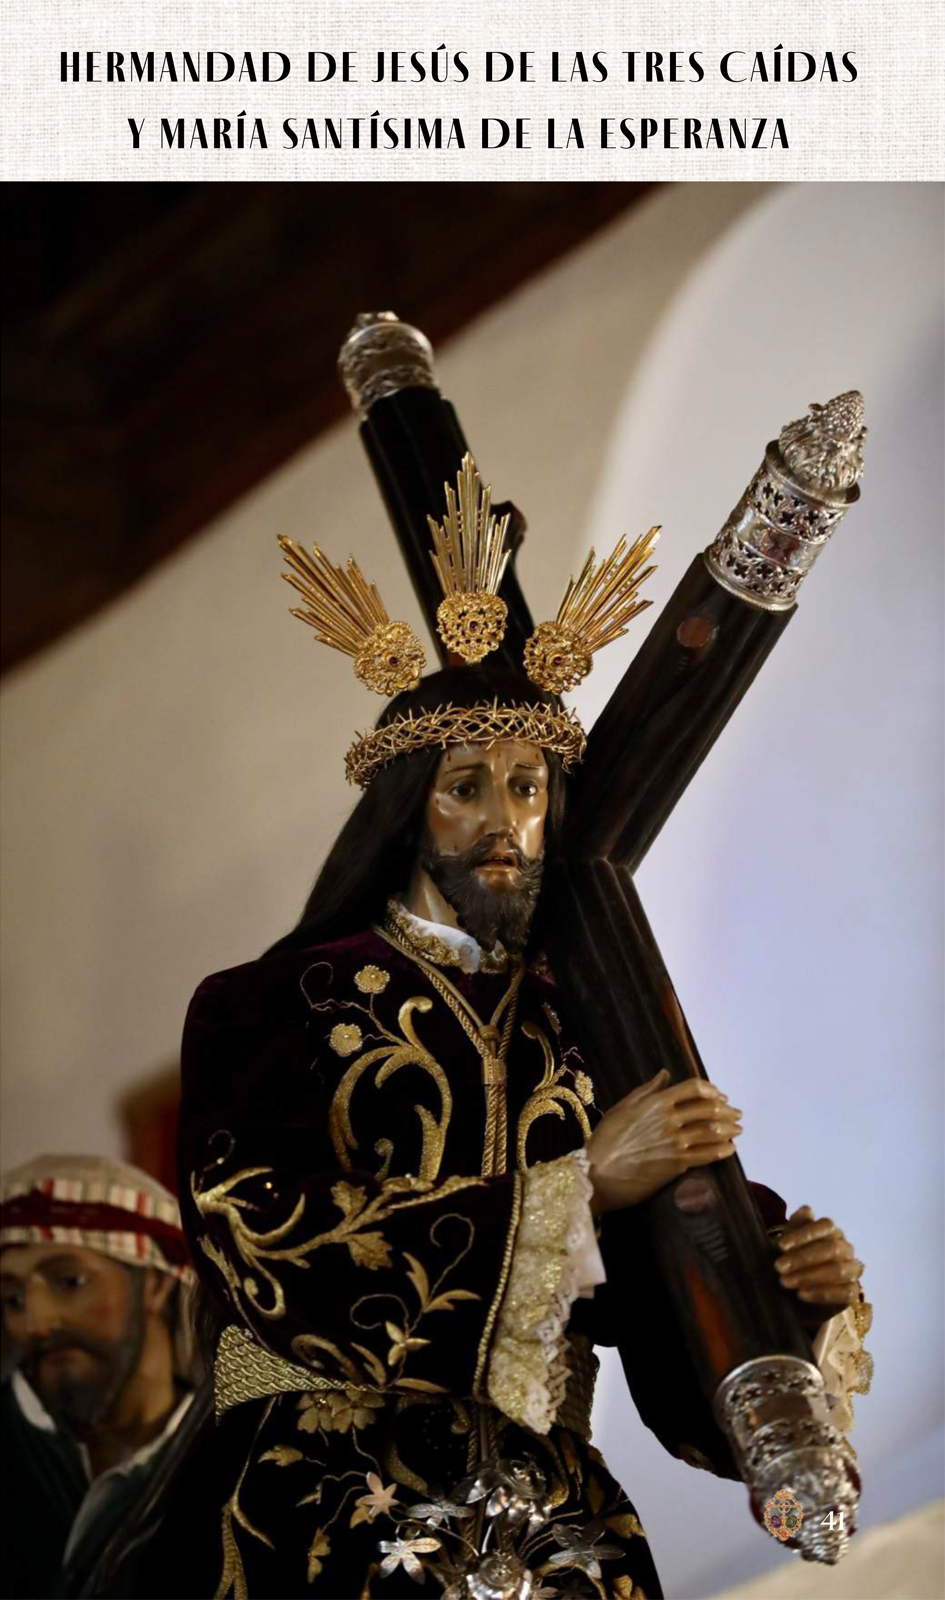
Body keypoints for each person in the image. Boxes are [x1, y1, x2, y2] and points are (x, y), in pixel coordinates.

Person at [159, 472, 872, 1598]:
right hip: (328, 1492)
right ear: (407, 808)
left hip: (554, 1523)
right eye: (466, 786)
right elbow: (264, 1232)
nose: (504, 819)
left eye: (529, 788)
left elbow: (660, 1287)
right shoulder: (271, 1002)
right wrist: (584, 1185)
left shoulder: (581, 1020)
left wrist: (786, 1278)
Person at [0, 1154, 210, 1598]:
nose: (36, 1322)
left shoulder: (232, 1452)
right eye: (12, 1299)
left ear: (155, 1284)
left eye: (69, 1282)